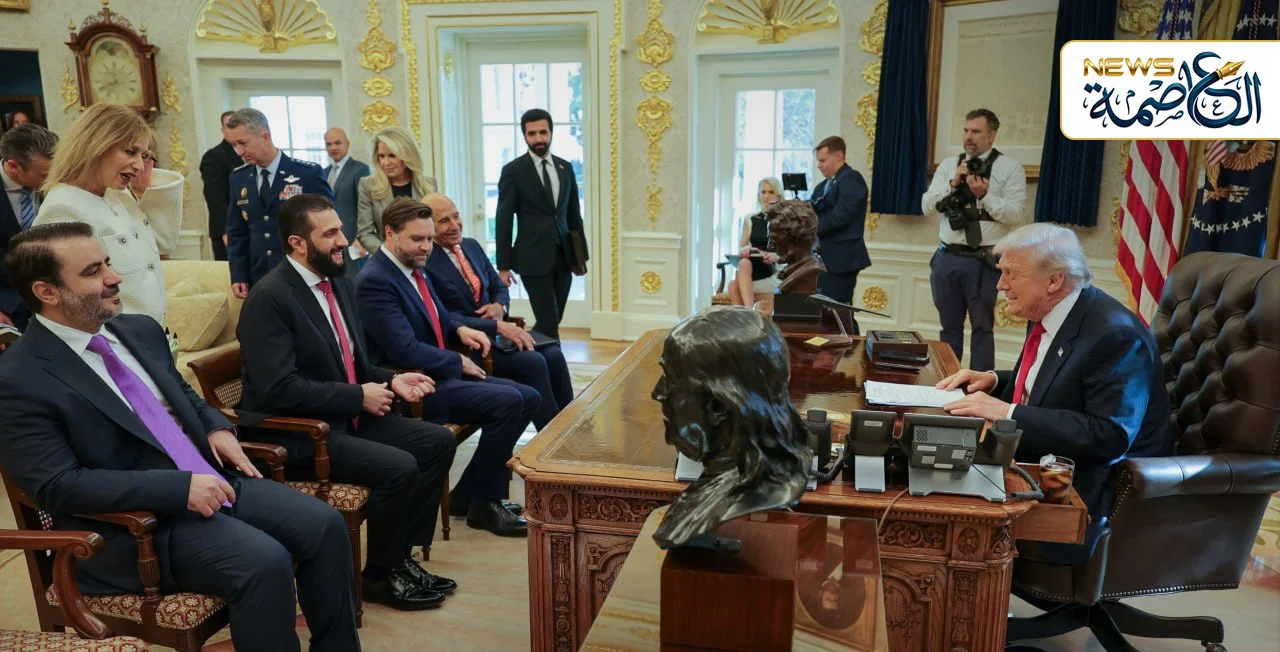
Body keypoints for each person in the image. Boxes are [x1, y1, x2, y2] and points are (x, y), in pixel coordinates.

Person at [0, 222, 362, 652]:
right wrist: (179, 487)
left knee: (324, 526)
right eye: (94, 271)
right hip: (135, 529)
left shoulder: (138, 330)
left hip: (212, 480)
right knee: (265, 562)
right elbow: (57, 485)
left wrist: (215, 426)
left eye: (108, 263)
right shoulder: (18, 377)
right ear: (47, 291)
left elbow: (184, 396)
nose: (114, 278)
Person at [236, 193, 458, 610]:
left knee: (437, 442)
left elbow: (353, 363)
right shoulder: (270, 298)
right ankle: (377, 577)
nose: (343, 240)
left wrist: (392, 379)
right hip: (299, 433)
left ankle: (399, 559)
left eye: (340, 229)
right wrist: (358, 396)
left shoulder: (337, 280)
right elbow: (278, 389)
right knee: (399, 466)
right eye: (330, 234)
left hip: (341, 415)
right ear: (298, 243)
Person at [936, 223, 1172, 564]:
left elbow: (1109, 435)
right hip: (1040, 462)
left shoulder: (1115, 336)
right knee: (932, 472)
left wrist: (1007, 412)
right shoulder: (1050, 311)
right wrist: (993, 380)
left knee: (946, 515)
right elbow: (1056, 384)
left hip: (1086, 493)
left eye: (1012, 274)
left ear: (1053, 281)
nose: (1000, 284)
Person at [357, 197, 536, 537]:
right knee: (511, 400)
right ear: (390, 234)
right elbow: (404, 350)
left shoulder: (412, 266)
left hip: (436, 373)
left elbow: (439, 315)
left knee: (528, 396)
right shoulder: (375, 280)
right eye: (418, 239)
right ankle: (484, 502)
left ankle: (470, 496)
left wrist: (460, 329)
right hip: (412, 386)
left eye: (429, 238)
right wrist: (456, 360)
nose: (427, 246)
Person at [422, 191, 574, 429]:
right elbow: (443, 316)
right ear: (429, 227)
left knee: (553, 354)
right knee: (533, 361)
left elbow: (497, 286)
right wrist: (495, 325)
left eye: (456, 216)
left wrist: (499, 306)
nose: (455, 225)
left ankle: (572, 425)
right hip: (469, 345)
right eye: (444, 221)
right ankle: (552, 436)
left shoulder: (470, 246)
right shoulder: (426, 260)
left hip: (499, 338)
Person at [35, 103, 182, 324]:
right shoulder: (63, 208)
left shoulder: (118, 196)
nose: (140, 165)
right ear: (96, 145)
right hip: (118, 341)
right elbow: (73, 305)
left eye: (144, 155)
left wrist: (145, 190)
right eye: (130, 152)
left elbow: (165, 242)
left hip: (149, 335)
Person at [921, 108, 1027, 371]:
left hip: (984, 260)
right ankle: (948, 378)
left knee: (982, 327)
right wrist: (952, 183)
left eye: (976, 131)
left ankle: (980, 387)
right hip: (947, 257)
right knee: (948, 327)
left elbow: (1015, 214)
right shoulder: (949, 165)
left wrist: (985, 196)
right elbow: (926, 206)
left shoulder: (1010, 167)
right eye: (966, 130)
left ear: (991, 136)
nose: (969, 136)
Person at [494, 108, 588, 340]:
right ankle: (553, 360)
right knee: (548, 319)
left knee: (554, 317)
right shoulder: (513, 171)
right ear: (525, 136)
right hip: (531, 258)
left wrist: (581, 256)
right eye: (532, 133)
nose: (538, 138)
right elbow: (504, 219)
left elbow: (574, 215)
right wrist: (503, 266)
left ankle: (529, 350)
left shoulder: (565, 168)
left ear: (551, 133)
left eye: (543, 132)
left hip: (564, 256)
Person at [224, 107, 333, 298]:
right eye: (234, 144)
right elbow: (237, 231)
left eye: (243, 143)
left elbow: (329, 226)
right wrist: (238, 274)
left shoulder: (307, 174)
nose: (239, 151)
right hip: (259, 276)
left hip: (303, 274)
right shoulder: (239, 178)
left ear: (265, 136)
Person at [1, 123, 57, 332]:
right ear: (14, 166)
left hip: (55, 301)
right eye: (43, 175)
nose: (52, 179)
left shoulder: (57, 184)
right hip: (8, 307)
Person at [354, 127, 437, 257]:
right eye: (381, 156)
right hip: (387, 259)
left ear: (407, 155)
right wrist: (390, 254)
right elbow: (365, 233)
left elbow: (435, 226)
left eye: (392, 155)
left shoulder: (429, 185)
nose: (386, 162)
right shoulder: (368, 185)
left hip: (424, 256)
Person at [811, 136, 869, 306]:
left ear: (838, 156)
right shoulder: (822, 186)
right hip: (823, 259)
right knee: (824, 309)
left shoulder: (852, 179)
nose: (819, 165)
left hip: (842, 259)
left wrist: (811, 228)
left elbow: (842, 215)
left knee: (839, 309)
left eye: (823, 160)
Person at [728, 177, 782, 307]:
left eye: (771, 192)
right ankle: (748, 314)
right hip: (754, 267)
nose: (766, 196)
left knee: (733, 286)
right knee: (744, 264)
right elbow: (743, 246)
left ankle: (748, 314)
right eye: (763, 192)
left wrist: (774, 256)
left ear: (778, 196)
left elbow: (791, 252)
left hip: (774, 270)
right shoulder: (750, 219)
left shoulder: (784, 219)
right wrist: (747, 250)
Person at [199, 110, 242, 261]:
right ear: (223, 130)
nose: (234, 128)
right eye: (230, 125)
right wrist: (226, 230)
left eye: (237, 124)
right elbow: (214, 198)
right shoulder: (214, 156)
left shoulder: (248, 153)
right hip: (227, 231)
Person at [323, 127, 371, 256]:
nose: (333, 147)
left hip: (353, 240)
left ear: (347, 144)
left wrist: (361, 238)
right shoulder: (324, 172)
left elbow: (365, 207)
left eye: (338, 143)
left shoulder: (360, 169)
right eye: (329, 144)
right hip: (330, 239)